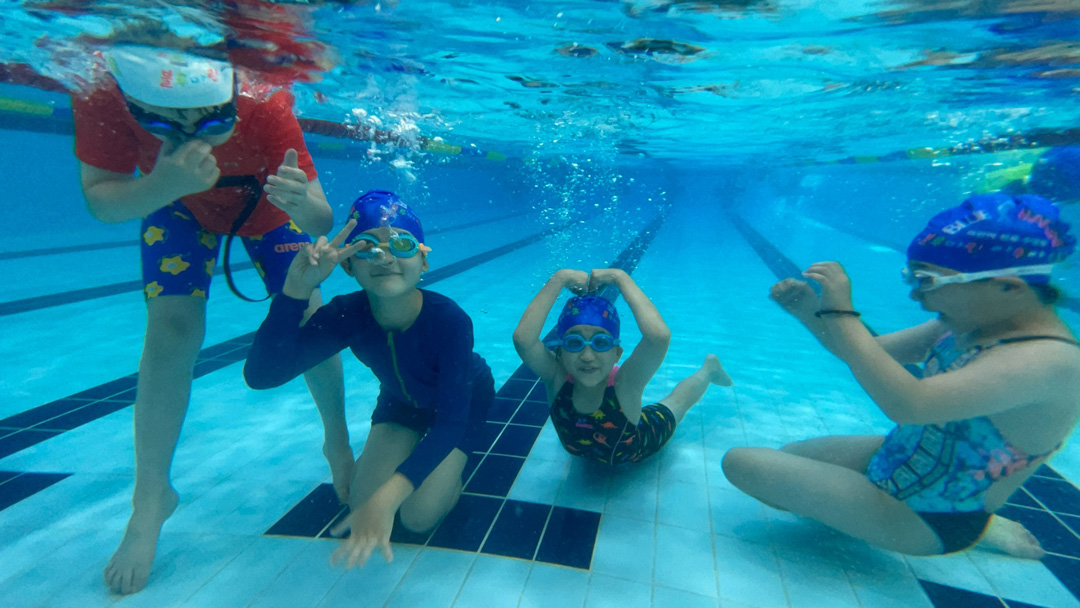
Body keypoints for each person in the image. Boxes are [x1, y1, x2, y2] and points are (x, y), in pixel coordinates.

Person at [71, 45, 345, 594]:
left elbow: (319, 217)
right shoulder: (102, 90)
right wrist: (161, 186)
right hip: (171, 201)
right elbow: (102, 200)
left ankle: (337, 444)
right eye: (162, 123)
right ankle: (150, 498)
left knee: (308, 315)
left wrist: (300, 203)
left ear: (231, 96)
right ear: (133, 101)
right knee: (171, 330)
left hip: (268, 208)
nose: (192, 136)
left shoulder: (263, 100)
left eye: (213, 121)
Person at [722, 193, 1080, 558]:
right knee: (787, 457)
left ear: (1008, 286)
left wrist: (842, 313)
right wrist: (810, 310)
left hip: (932, 518)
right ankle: (860, 506)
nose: (916, 295)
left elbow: (911, 405)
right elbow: (864, 351)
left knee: (743, 463)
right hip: (897, 458)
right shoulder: (970, 323)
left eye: (927, 281)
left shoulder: (1046, 360)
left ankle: (983, 530)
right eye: (913, 278)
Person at [244, 190, 495, 569]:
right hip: (400, 402)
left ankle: (449, 474)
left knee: (417, 516)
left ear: (423, 260)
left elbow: (450, 423)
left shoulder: (449, 321)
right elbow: (263, 375)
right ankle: (415, 459)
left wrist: (389, 497)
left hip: (464, 403)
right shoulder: (347, 314)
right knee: (361, 503)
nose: (384, 256)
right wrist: (296, 290)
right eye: (366, 247)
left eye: (402, 244)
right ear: (348, 265)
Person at [512, 268, 731, 465]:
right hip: (596, 450)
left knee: (677, 403)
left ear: (617, 353)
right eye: (574, 343)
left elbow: (658, 337)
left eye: (601, 342)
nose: (587, 356)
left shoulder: (625, 383)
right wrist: (560, 278)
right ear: (559, 352)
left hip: (640, 444)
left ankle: (709, 369)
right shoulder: (556, 376)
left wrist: (620, 277)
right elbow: (523, 339)